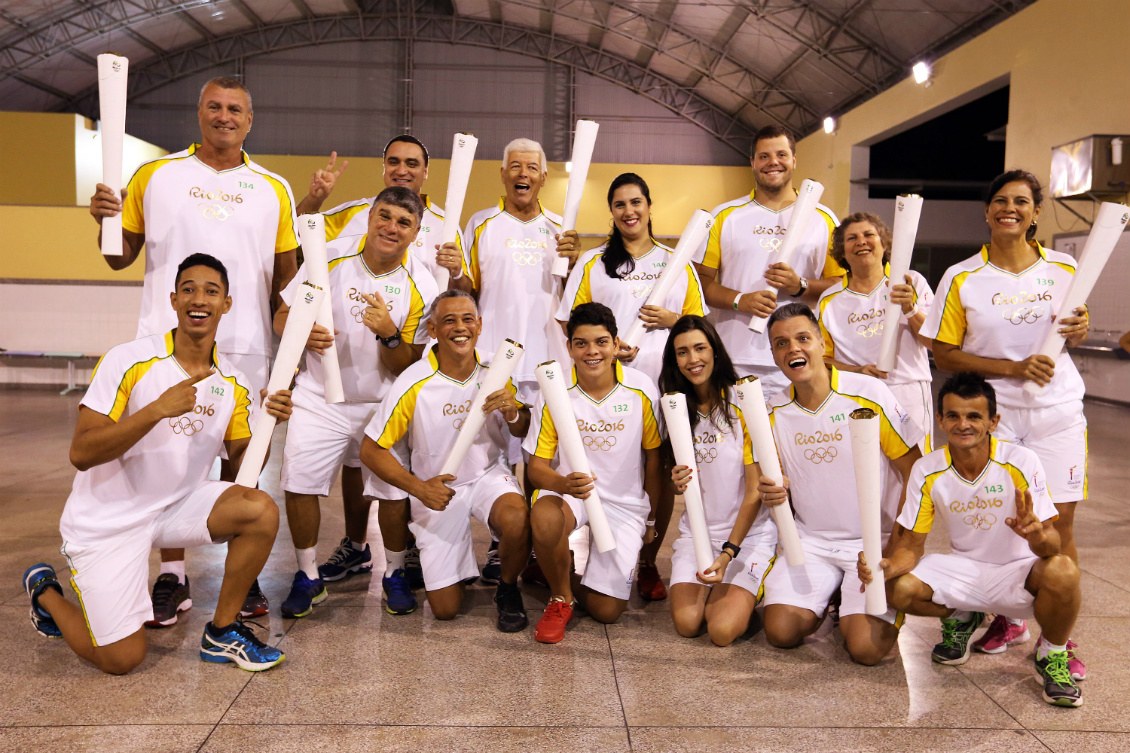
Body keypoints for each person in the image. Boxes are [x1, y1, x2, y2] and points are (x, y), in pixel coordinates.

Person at [88, 75, 299, 622]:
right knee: (165, 457)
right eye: (215, 106)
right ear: (199, 112)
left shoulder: (273, 187)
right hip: (165, 345)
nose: (224, 116)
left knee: (241, 460)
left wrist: (296, 339)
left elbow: (287, 283)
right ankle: (173, 574)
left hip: (246, 347)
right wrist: (104, 221)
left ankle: (242, 573)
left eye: (235, 109)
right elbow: (118, 256)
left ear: (249, 120)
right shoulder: (156, 175)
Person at [23, 254, 291, 674]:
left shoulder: (233, 382)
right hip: (106, 520)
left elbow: (243, 475)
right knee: (121, 660)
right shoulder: (128, 359)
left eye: (211, 291)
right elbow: (82, 453)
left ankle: (222, 632)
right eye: (188, 289)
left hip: (174, 508)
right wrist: (154, 410)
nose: (198, 298)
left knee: (259, 510)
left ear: (227, 304)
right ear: (173, 300)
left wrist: (267, 424)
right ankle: (45, 593)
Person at [921, 170, 1090, 676]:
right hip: (997, 418)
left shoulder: (1065, 267)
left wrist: (1080, 328)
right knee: (999, 524)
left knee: (1057, 527)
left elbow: (1073, 329)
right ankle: (1004, 616)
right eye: (999, 200)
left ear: (1036, 213)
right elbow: (944, 353)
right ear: (987, 211)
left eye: (1021, 201)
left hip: (1058, 413)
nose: (1009, 208)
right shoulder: (962, 276)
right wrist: (1013, 369)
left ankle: (1055, 641)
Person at [858, 372, 1083, 707]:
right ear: (941, 420)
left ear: (993, 421)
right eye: (953, 415)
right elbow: (912, 547)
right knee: (899, 589)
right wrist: (886, 567)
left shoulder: (1021, 461)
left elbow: (1051, 547)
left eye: (974, 416)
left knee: (1063, 570)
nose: (963, 424)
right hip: (964, 570)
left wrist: (1036, 535)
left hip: (1016, 572)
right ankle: (963, 617)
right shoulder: (928, 469)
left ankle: (1052, 655)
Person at [275, 187, 438, 619]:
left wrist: (388, 332)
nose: (391, 228)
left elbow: (411, 362)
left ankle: (395, 572)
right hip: (319, 396)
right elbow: (281, 315)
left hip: (382, 402)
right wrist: (301, 332)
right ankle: (307, 575)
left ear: (416, 232)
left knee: (390, 491)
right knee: (299, 482)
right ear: (370, 216)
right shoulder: (327, 256)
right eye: (384, 216)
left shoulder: (422, 283)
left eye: (403, 223)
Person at [555, 172, 708, 602]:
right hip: (610, 388)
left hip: (665, 387)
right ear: (611, 212)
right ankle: (587, 549)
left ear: (649, 206)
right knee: (615, 469)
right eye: (620, 204)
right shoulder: (592, 262)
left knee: (659, 471)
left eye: (636, 202)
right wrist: (603, 351)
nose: (629, 211)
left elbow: (700, 326)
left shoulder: (675, 263)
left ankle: (646, 562)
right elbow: (571, 321)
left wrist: (671, 320)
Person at [757, 303, 922, 665]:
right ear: (773, 354)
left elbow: (915, 470)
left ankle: (856, 606)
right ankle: (833, 598)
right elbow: (771, 478)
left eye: (803, 338)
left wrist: (898, 546)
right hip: (812, 542)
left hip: (872, 542)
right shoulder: (769, 411)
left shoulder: (867, 393)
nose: (793, 349)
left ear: (821, 343)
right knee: (780, 632)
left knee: (864, 651)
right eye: (781, 343)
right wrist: (772, 486)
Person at [361, 290, 532, 632]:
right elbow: (370, 449)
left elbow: (522, 429)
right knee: (444, 610)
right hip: (437, 487)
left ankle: (508, 587)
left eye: (468, 319)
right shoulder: (414, 381)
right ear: (433, 330)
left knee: (516, 518)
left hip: (487, 476)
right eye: (449, 320)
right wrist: (420, 489)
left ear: (480, 325)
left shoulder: (496, 369)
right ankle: (454, 567)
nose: (460, 327)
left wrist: (514, 412)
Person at [526, 303, 663, 644]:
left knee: (606, 610)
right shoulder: (555, 392)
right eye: (581, 343)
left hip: (623, 504)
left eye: (601, 342)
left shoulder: (642, 388)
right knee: (544, 517)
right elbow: (537, 469)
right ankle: (561, 596)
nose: (592, 352)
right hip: (571, 494)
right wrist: (563, 483)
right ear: (570, 347)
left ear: (616, 344)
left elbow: (652, 462)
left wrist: (650, 523)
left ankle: (561, 569)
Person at [464, 137, 564, 583]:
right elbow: (467, 290)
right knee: (496, 463)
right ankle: (501, 546)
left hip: (546, 366)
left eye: (532, 167)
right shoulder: (481, 224)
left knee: (538, 462)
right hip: (494, 365)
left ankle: (539, 550)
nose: (523, 174)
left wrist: (575, 258)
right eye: (515, 166)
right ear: (503, 174)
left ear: (543, 177)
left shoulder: (563, 230)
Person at [694, 125, 846, 397]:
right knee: (739, 439)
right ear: (752, 162)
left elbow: (841, 287)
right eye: (764, 156)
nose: (773, 162)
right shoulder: (725, 216)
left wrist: (800, 286)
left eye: (781, 154)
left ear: (794, 160)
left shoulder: (823, 219)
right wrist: (741, 300)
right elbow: (698, 284)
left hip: (800, 358)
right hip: (735, 357)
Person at [660, 316, 775, 646]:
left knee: (722, 631)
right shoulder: (675, 408)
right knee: (687, 622)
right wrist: (676, 481)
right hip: (698, 533)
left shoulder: (743, 404)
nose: (693, 360)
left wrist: (728, 554)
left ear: (715, 351)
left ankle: (751, 587)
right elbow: (681, 478)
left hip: (747, 536)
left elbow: (755, 491)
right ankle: (722, 594)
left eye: (700, 348)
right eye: (682, 352)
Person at [817, 212, 935, 448]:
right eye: (852, 238)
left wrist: (910, 309)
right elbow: (822, 360)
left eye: (869, 234)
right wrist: (857, 370)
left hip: (907, 389)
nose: (861, 241)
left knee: (914, 467)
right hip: (859, 392)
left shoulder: (911, 282)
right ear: (842, 252)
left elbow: (934, 342)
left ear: (884, 243)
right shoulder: (829, 301)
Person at [295, 135, 472, 289]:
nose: (402, 171)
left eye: (411, 164)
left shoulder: (445, 225)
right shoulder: (353, 213)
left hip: (419, 326)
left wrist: (456, 274)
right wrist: (315, 198)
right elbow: (295, 232)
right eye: (393, 162)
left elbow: (465, 290)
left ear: (425, 172)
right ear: (384, 167)